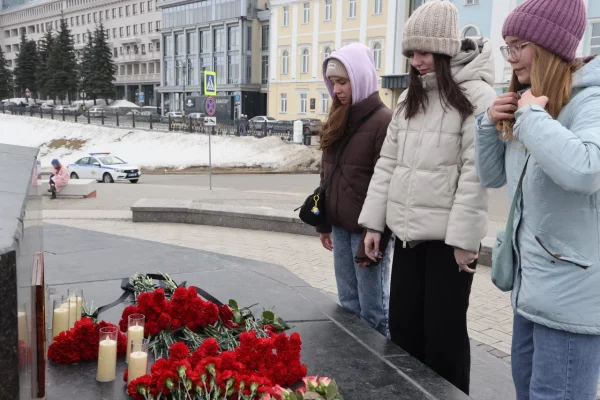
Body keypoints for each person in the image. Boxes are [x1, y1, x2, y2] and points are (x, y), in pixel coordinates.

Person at [358, 0, 496, 394]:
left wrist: (464, 242)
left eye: (423, 52)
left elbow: (476, 175)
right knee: (403, 333)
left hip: (448, 246)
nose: (416, 61)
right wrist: (374, 225)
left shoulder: (476, 97)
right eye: (410, 53)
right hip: (407, 236)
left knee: (444, 340)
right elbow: (388, 164)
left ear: (445, 47)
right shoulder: (409, 100)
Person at [475, 0, 600, 398]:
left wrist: (532, 119)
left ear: (549, 46)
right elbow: (492, 177)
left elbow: (586, 170)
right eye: (506, 46)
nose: (511, 58)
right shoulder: (532, 99)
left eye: (519, 45)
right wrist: (487, 124)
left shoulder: (589, 101)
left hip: (571, 303)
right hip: (529, 291)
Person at [316, 43, 393, 336]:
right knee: (348, 304)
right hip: (339, 226)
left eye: (343, 81)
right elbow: (327, 175)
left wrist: (377, 234)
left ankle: (382, 374)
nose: (336, 90)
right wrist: (324, 223)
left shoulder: (383, 121)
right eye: (332, 82)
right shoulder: (338, 117)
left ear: (360, 78)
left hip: (367, 232)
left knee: (373, 310)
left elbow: (385, 184)